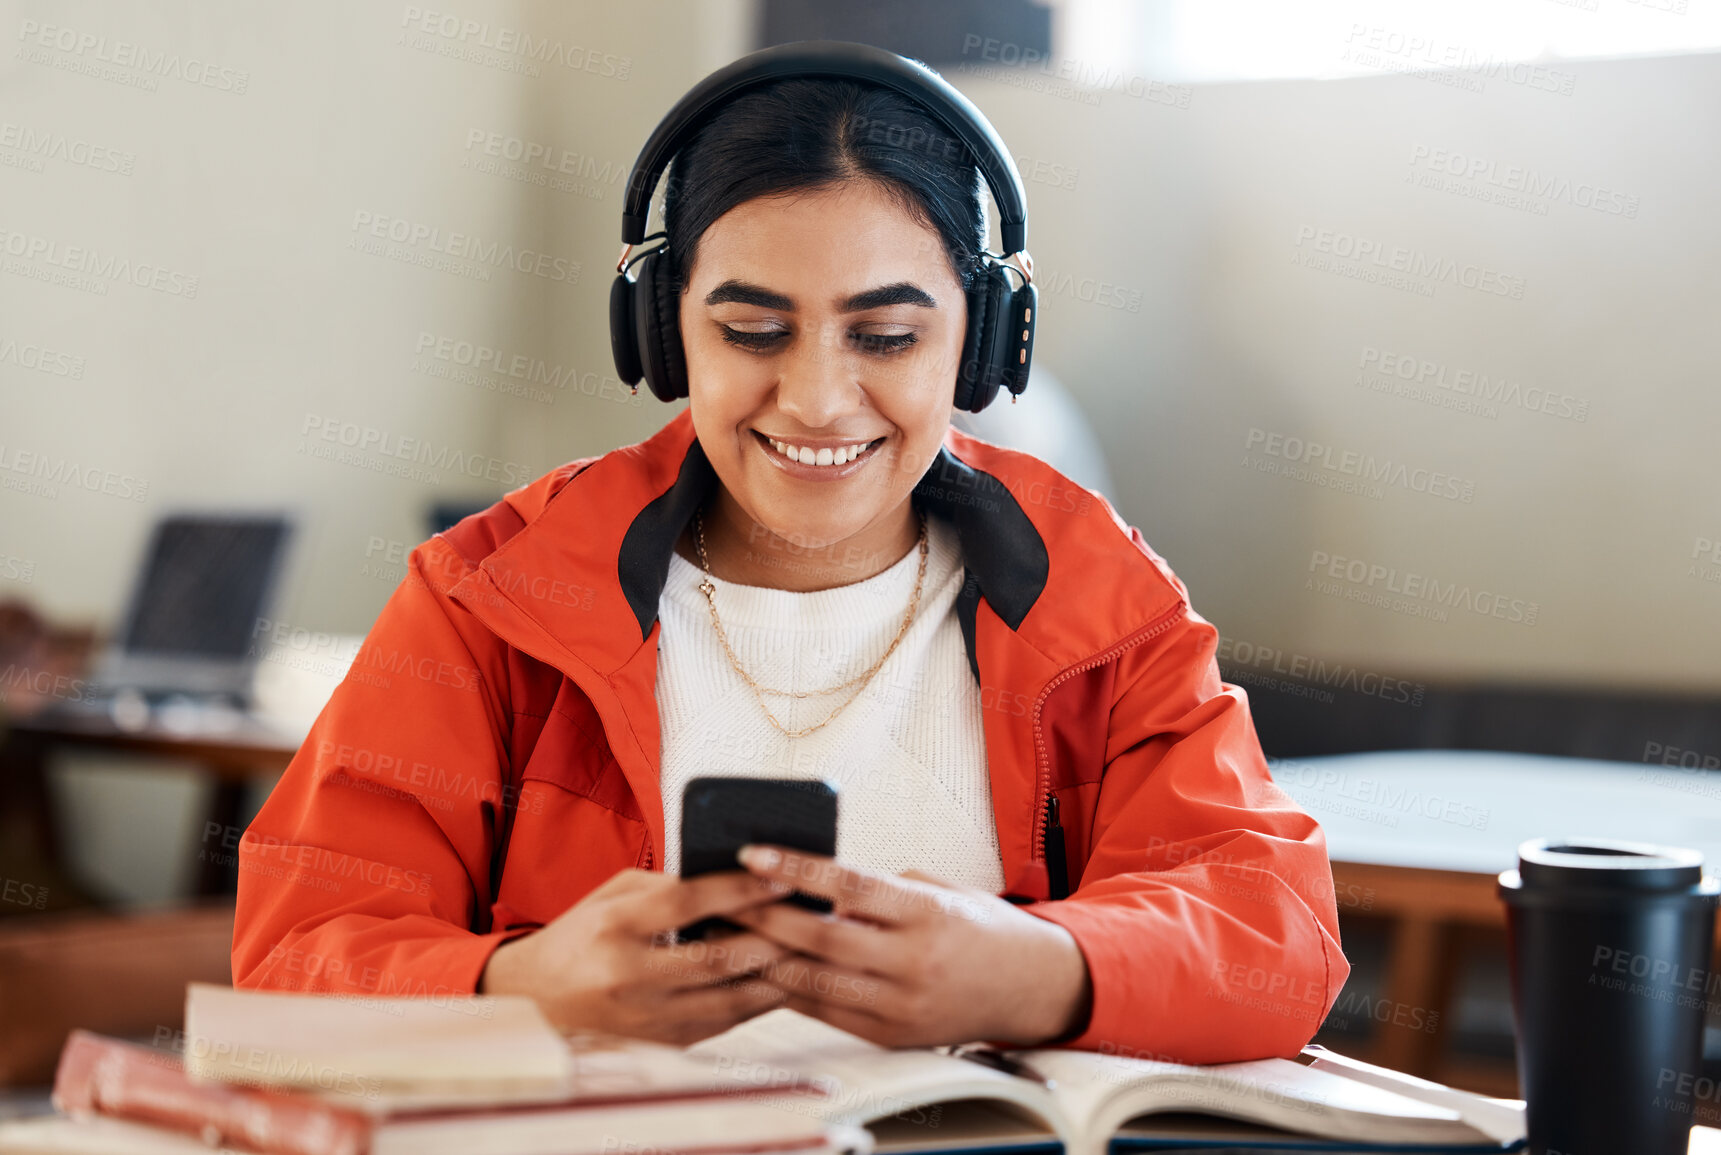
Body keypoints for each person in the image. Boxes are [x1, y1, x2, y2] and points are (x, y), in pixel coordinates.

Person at [231, 43, 1348, 1061]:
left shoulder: (1099, 594)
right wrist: (512, 989)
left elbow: (1276, 938)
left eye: (889, 336)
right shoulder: (487, 596)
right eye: (751, 330)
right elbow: (293, 963)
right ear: (664, 331)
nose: (816, 399)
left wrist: (1045, 972)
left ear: (983, 343)